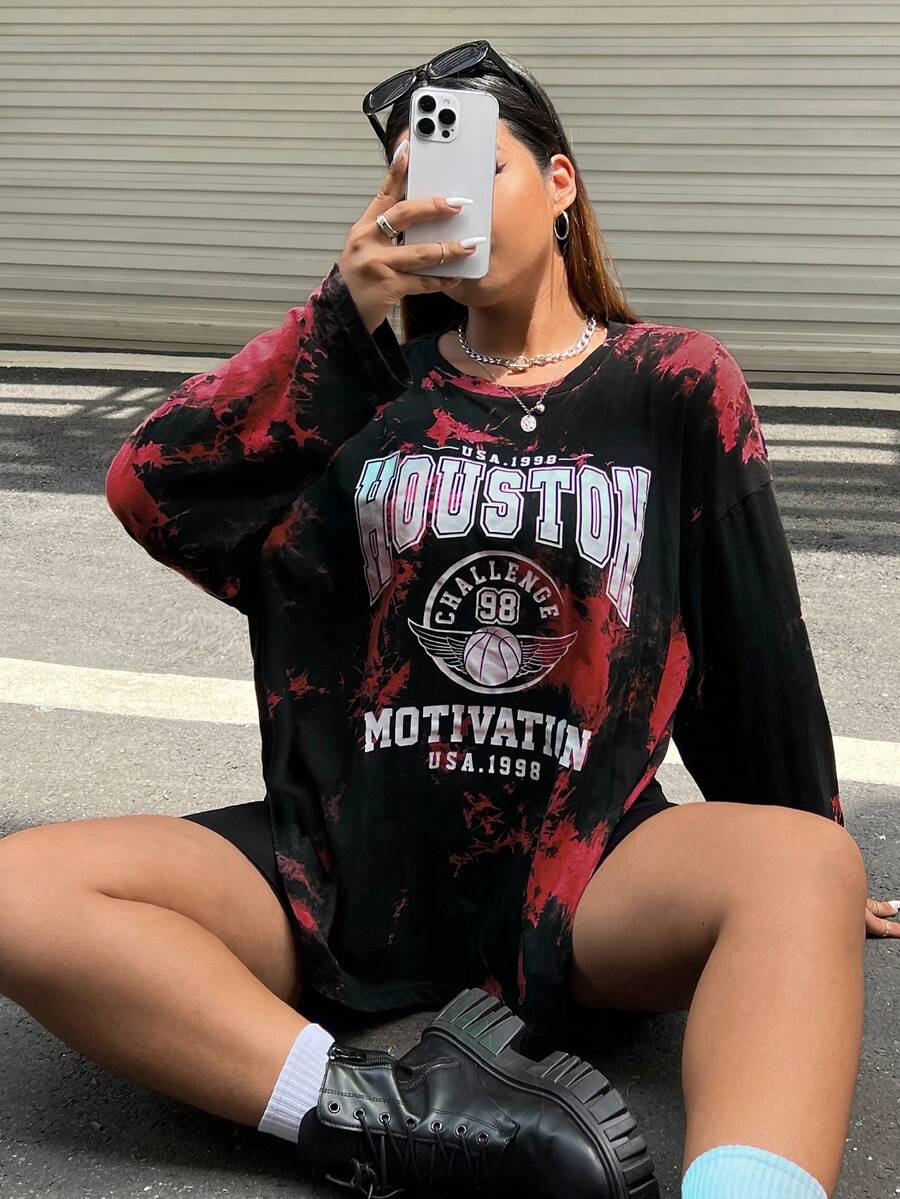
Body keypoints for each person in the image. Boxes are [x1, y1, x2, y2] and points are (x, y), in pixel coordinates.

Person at [0, 40, 895, 1199]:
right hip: (341, 873)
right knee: (19, 892)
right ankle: (388, 1114)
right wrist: (342, 316)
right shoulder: (361, 390)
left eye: (479, 168)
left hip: (586, 878)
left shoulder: (669, 380)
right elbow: (150, 489)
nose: (445, 200)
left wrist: (806, 868)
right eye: (415, 181)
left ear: (561, 183)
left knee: (808, 863)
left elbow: (753, 641)